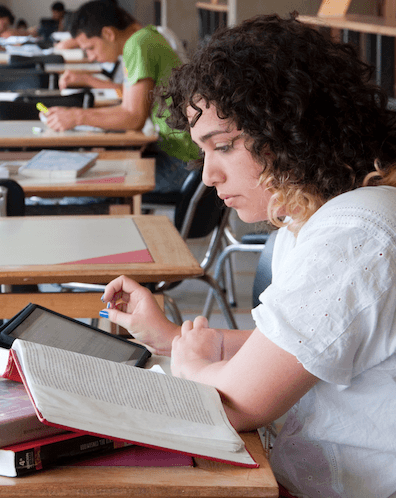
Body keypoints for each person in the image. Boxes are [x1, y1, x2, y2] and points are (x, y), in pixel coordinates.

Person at [99, 14, 396, 498]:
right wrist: (172, 338)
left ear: (291, 126)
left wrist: (192, 367)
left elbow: (238, 403)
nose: (209, 174)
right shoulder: (314, 220)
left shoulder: (355, 234)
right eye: (203, 152)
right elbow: (297, 351)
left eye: (224, 146)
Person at [44, 1, 200, 194]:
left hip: (181, 163)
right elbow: (130, 100)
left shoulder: (138, 44)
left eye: (91, 47)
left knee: (82, 189)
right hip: (179, 154)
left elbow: (133, 116)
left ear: (108, 33)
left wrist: (76, 117)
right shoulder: (145, 36)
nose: (90, 57)